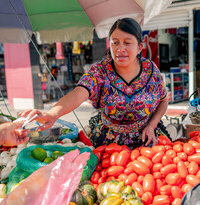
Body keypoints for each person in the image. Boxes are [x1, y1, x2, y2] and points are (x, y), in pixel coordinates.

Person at [20, 18, 169, 149]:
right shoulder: (99, 72)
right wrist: (52, 114)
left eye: (127, 43)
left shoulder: (151, 70)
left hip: (148, 140)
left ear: (139, 47)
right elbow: (78, 94)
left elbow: (163, 100)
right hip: (109, 145)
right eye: (115, 42)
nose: (120, 48)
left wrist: (151, 125)